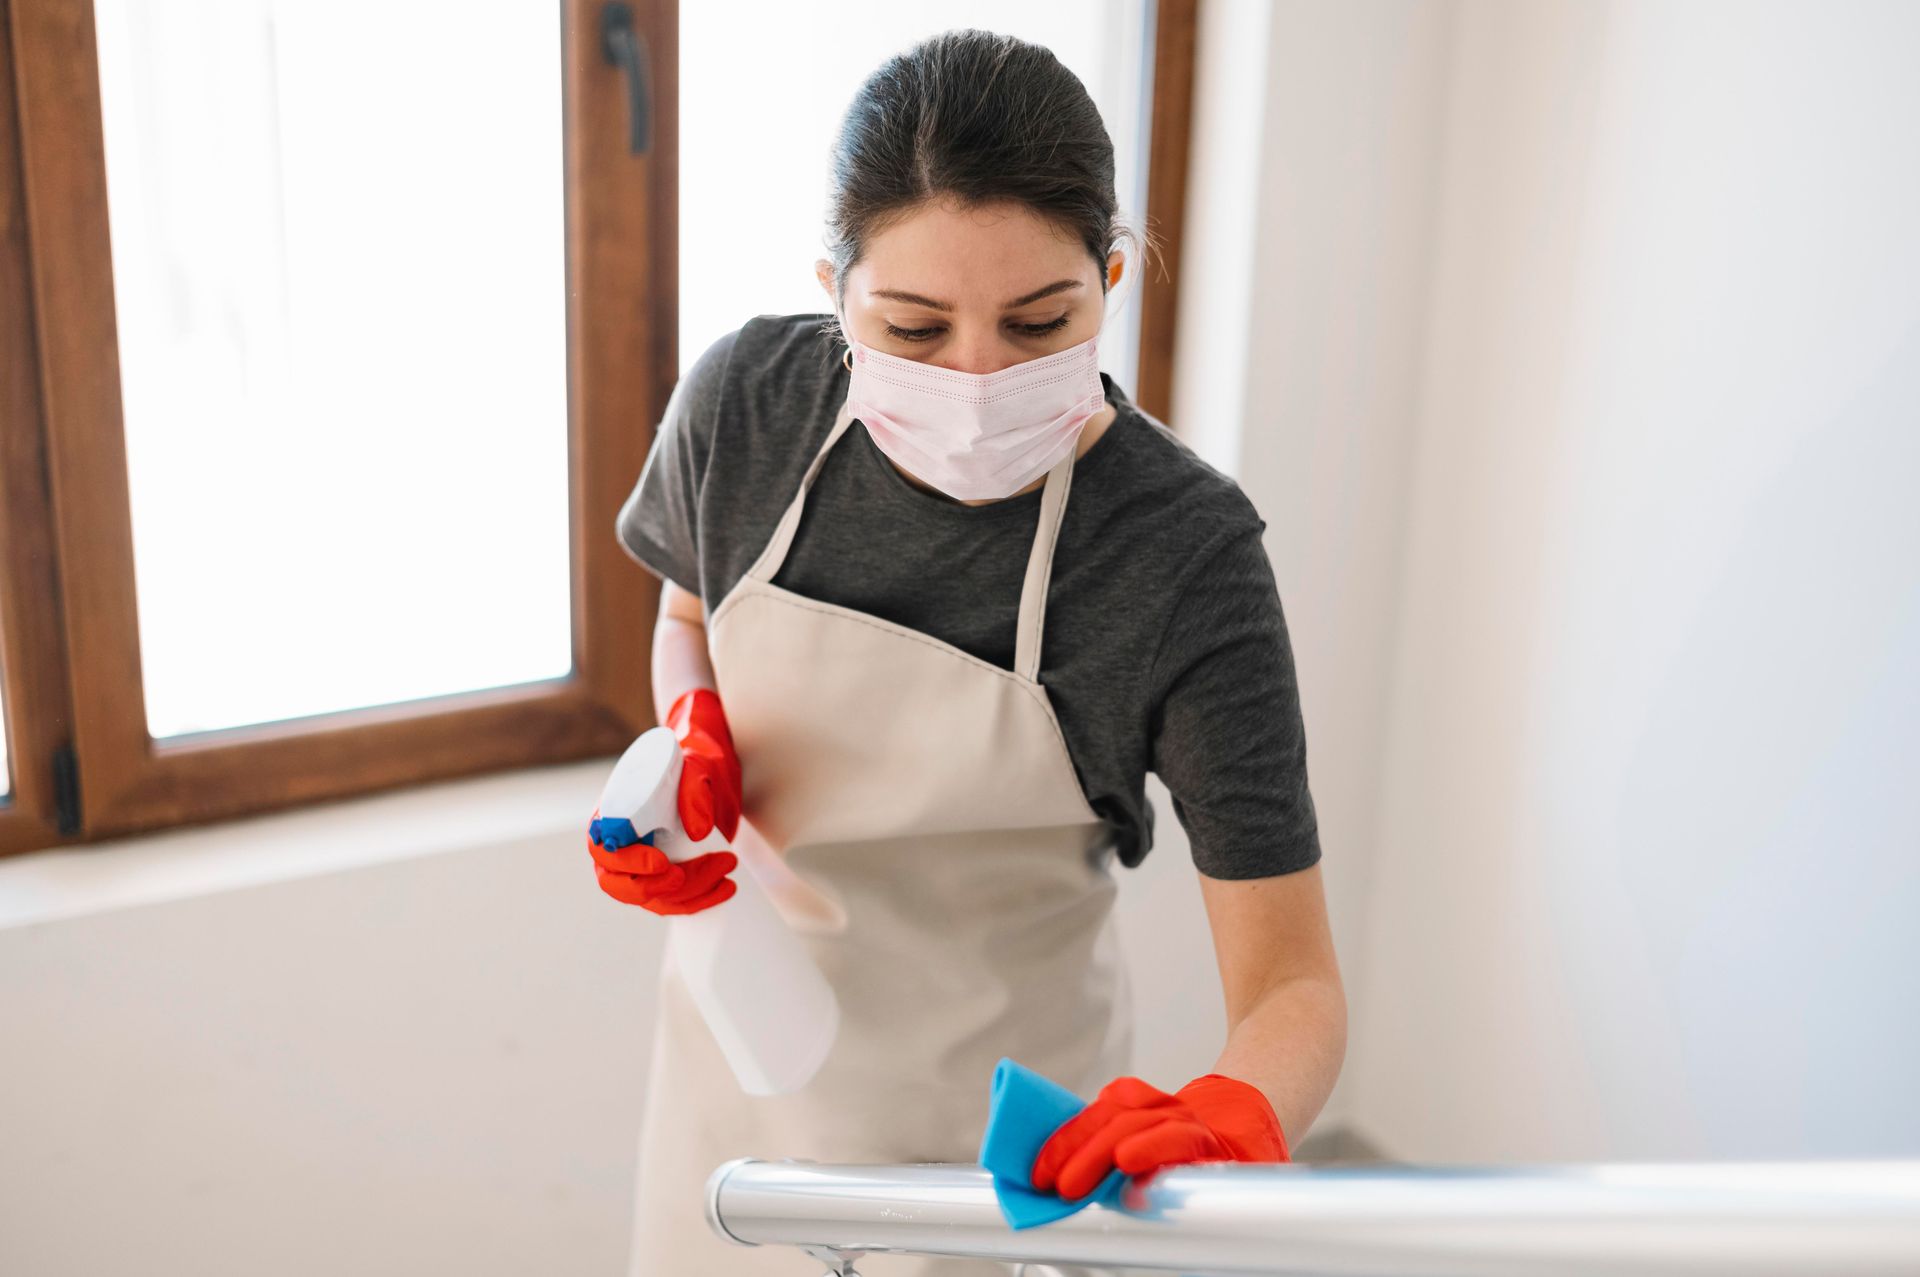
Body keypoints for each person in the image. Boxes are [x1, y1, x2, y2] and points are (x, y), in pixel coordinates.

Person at [593, 28, 1346, 1277]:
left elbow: (1294, 985)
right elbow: (687, 620)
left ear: (1111, 277)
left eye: (1042, 321)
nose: (981, 378)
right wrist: (687, 736)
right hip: (742, 1103)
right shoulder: (747, 408)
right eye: (915, 326)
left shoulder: (1182, 555)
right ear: (834, 287)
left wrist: (1238, 1106)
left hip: (1004, 1167)